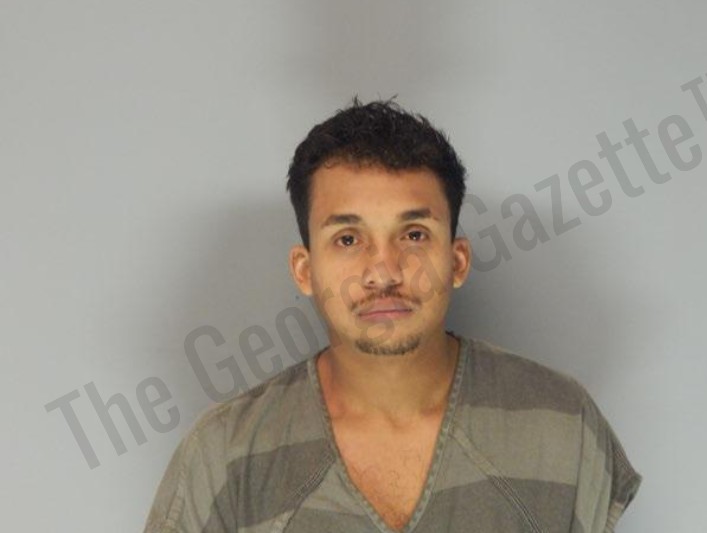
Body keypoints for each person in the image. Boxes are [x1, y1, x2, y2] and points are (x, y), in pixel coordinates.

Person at [144, 99, 641, 533]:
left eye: (414, 235)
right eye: (347, 239)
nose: (383, 271)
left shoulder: (562, 426)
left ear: (457, 260)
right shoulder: (225, 455)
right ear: (304, 270)